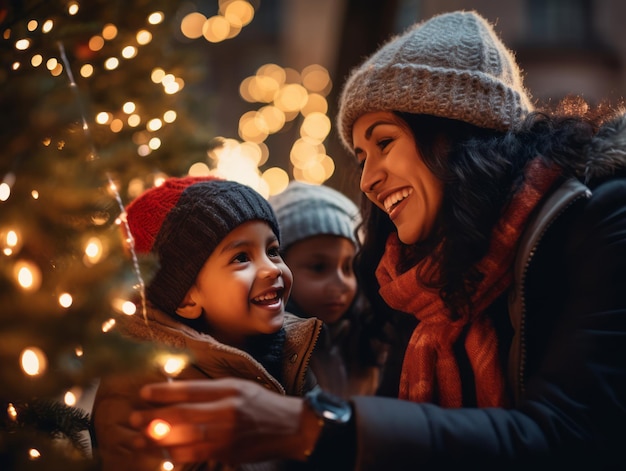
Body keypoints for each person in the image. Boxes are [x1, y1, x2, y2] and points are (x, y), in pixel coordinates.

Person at [124, 10, 626, 470]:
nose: (367, 181)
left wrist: (311, 426)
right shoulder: (418, 277)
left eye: (384, 142)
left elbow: (574, 435)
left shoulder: (598, 218)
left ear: (457, 133)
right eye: (362, 158)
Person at [91, 176, 322, 471]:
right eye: (241, 257)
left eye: (273, 251)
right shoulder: (144, 391)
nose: (270, 269)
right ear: (186, 298)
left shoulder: (292, 354)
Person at [269, 181, 386, 397]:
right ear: (280, 269)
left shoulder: (370, 338)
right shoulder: (269, 354)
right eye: (318, 267)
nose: (341, 283)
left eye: (348, 267)